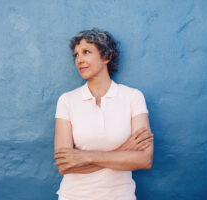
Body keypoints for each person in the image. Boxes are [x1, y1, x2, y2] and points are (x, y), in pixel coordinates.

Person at [54, 28, 154, 200]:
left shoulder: (133, 97)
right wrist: (123, 151)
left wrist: (85, 156)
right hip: (74, 195)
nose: (79, 60)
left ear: (106, 57)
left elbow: (144, 160)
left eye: (86, 52)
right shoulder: (67, 100)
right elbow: (64, 166)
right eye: (76, 55)